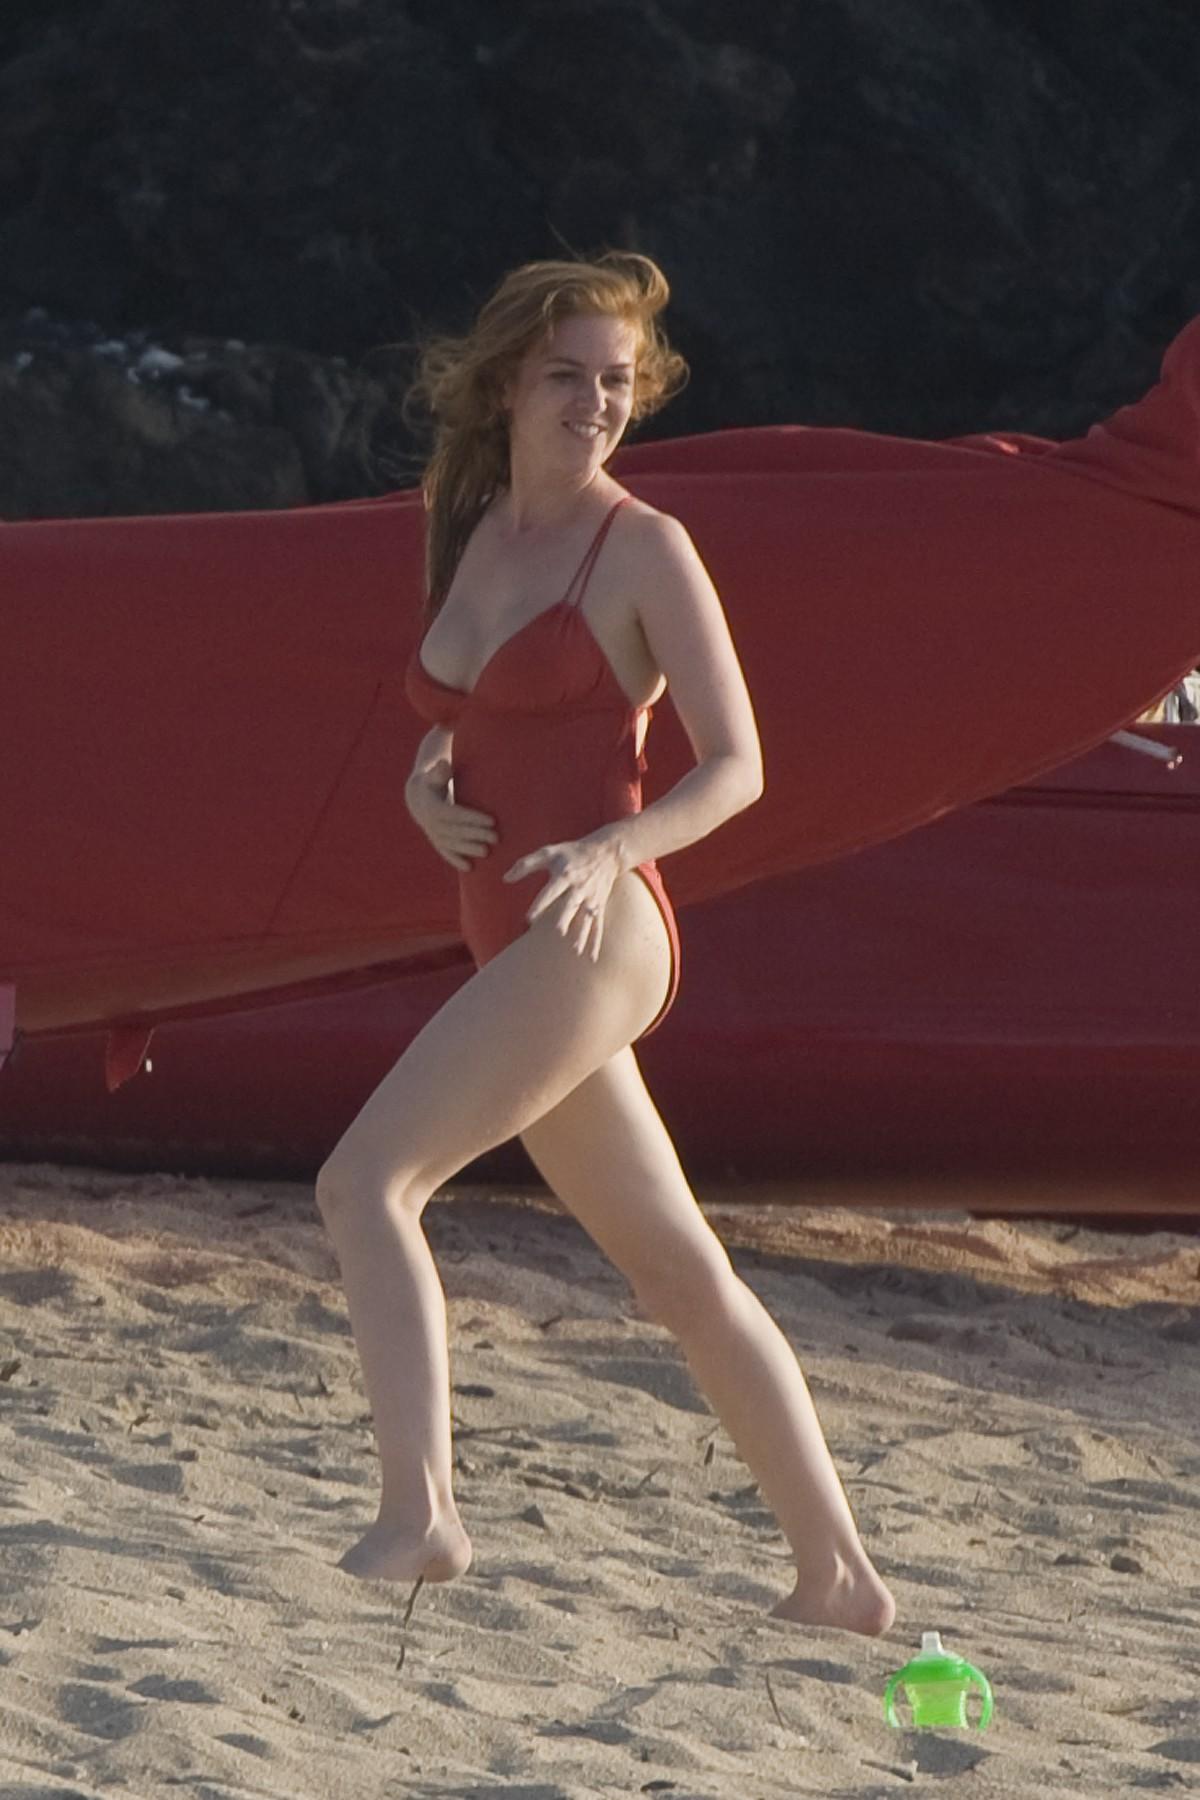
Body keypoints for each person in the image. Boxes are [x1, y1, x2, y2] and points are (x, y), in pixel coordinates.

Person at [315, 250, 896, 1638]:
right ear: (506, 385)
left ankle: (422, 1513)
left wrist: (613, 848)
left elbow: (738, 766)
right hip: (510, 940)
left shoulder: (643, 547)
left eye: (618, 382)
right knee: (679, 1275)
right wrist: (426, 783)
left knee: (365, 1183)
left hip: (595, 932)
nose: (594, 404)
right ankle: (841, 1580)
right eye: (567, 376)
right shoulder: (470, 526)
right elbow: (470, 718)